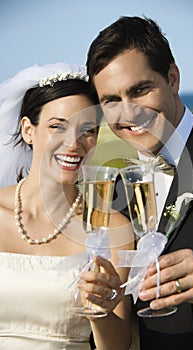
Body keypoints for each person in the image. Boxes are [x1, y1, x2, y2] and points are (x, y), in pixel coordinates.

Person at [86, 16, 193, 349]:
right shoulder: (117, 190)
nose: (129, 113)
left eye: (139, 90)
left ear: (172, 78)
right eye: (111, 100)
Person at [0, 63, 134, 350]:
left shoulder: (113, 229)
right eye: (57, 127)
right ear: (28, 130)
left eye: (88, 130)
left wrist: (101, 311)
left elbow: (119, 346)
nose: (73, 143)